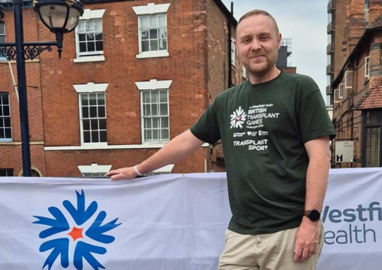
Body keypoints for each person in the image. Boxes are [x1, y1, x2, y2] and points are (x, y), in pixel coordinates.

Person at [107, 9, 336, 270]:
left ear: (278, 40)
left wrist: (311, 220)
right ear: (237, 47)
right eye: (247, 40)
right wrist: (138, 169)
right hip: (240, 234)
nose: (256, 46)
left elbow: (320, 157)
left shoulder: (301, 89)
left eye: (264, 37)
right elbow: (186, 142)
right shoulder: (227, 101)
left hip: (290, 231)